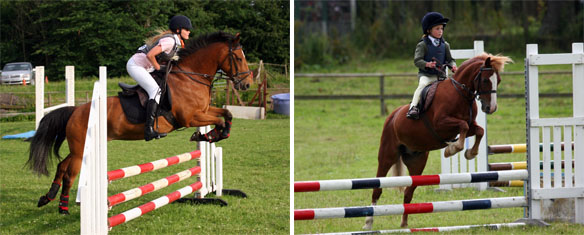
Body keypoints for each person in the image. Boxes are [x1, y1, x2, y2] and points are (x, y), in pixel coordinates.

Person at [126, 15, 192, 141]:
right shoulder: (170, 41)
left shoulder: (177, 43)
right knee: (155, 90)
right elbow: (151, 55)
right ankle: (149, 129)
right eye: (186, 29)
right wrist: (158, 68)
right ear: (178, 30)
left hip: (146, 67)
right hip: (136, 65)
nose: (189, 31)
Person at [407, 12, 457, 120]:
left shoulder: (445, 45)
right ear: (429, 30)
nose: (440, 31)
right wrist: (427, 64)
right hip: (426, 75)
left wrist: (453, 66)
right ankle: (413, 107)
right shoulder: (422, 45)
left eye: (441, 29)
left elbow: (450, 60)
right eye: (437, 29)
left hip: (441, 76)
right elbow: (417, 60)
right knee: (422, 86)